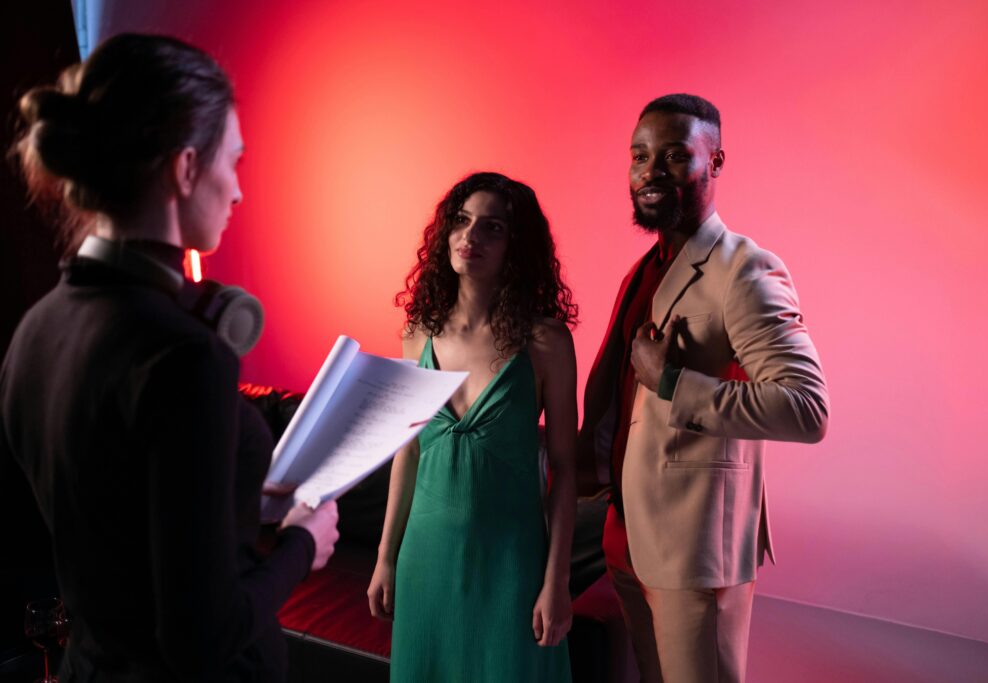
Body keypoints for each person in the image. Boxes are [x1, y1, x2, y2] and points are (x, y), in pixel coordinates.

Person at [0, 33, 339, 682]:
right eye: (234, 161)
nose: (238, 192)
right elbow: (200, 638)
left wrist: (234, 494)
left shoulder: (34, 331)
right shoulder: (186, 356)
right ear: (185, 168)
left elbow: (117, 517)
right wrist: (303, 541)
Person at [576, 94, 830, 683]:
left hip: (694, 547)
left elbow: (805, 408)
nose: (650, 171)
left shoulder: (744, 269)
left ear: (714, 161)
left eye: (673, 155)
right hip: (629, 535)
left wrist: (671, 381)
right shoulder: (647, 268)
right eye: (639, 156)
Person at [367, 172, 577, 682]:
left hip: (511, 563)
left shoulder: (546, 342)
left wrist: (557, 580)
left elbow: (566, 470)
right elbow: (408, 452)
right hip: (425, 557)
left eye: (492, 227)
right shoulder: (417, 334)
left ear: (516, 246)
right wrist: (386, 557)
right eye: (461, 221)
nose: (470, 236)